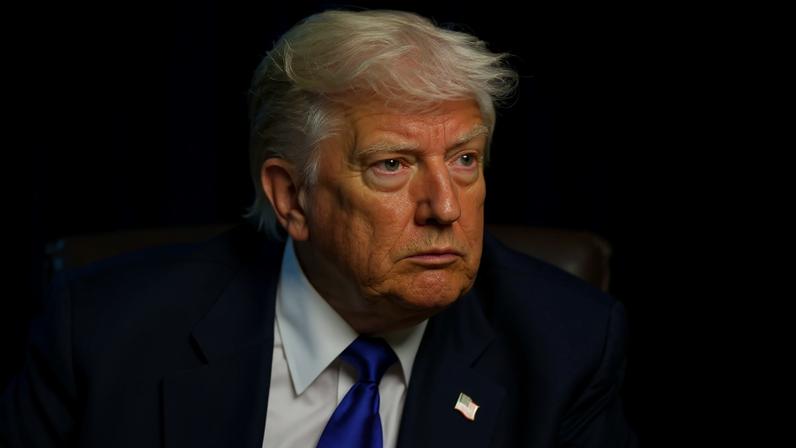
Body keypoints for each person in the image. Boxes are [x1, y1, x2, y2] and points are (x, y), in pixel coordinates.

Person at [1, 9, 637, 447]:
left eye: (465, 159)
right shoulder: (106, 333)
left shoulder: (565, 347)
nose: (445, 206)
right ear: (290, 198)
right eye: (392, 165)